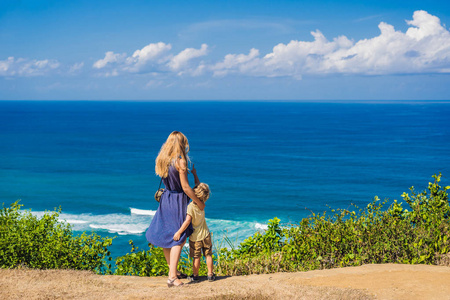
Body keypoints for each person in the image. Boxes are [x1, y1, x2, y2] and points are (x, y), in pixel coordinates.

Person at [145, 131, 205, 288]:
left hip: (166, 199)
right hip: (178, 200)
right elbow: (185, 187)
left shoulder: (163, 159)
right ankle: (172, 277)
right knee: (179, 237)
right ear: (182, 143)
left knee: (168, 236)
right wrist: (198, 201)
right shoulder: (180, 161)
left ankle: (174, 271)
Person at [173, 170, 215, 282]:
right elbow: (198, 186)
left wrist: (179, 232)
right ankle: (210, 274)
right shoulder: (202, 204)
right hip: (206, 235)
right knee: (208, 255)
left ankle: (195, 276)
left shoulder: (191, 207)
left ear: (194, 193)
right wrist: (195, 174)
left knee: (197, 257)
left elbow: (187, 222)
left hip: (195, 238)